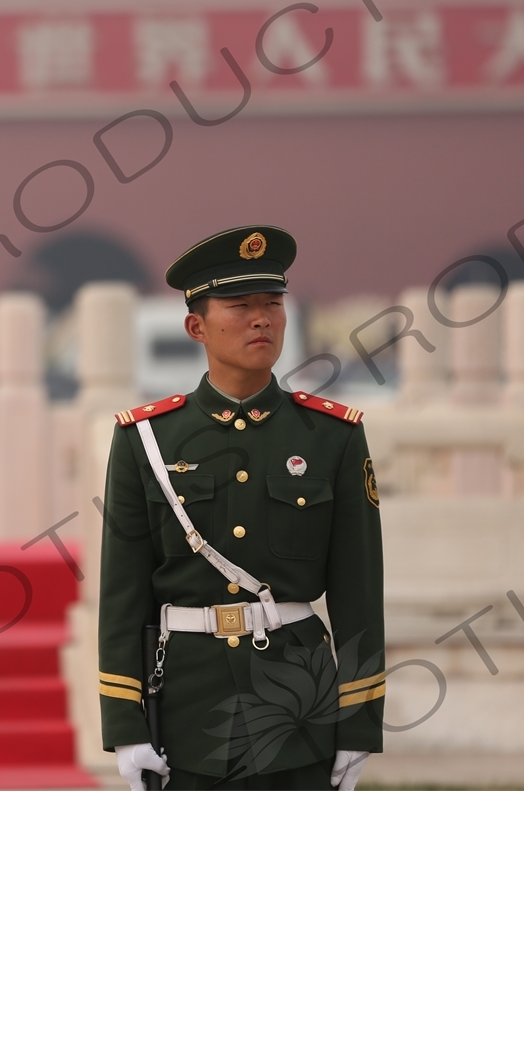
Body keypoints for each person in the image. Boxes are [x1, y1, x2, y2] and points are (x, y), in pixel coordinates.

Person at [98, 225, 385, 791]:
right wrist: (126, 725)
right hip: (184, 709)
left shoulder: (332, 436)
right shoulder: (146, 440)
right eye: (240, 305)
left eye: (272, 303)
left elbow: (358, 593)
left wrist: (358, 724)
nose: (262, 319)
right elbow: (123, 593)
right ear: (195, 326)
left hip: (300, 708)